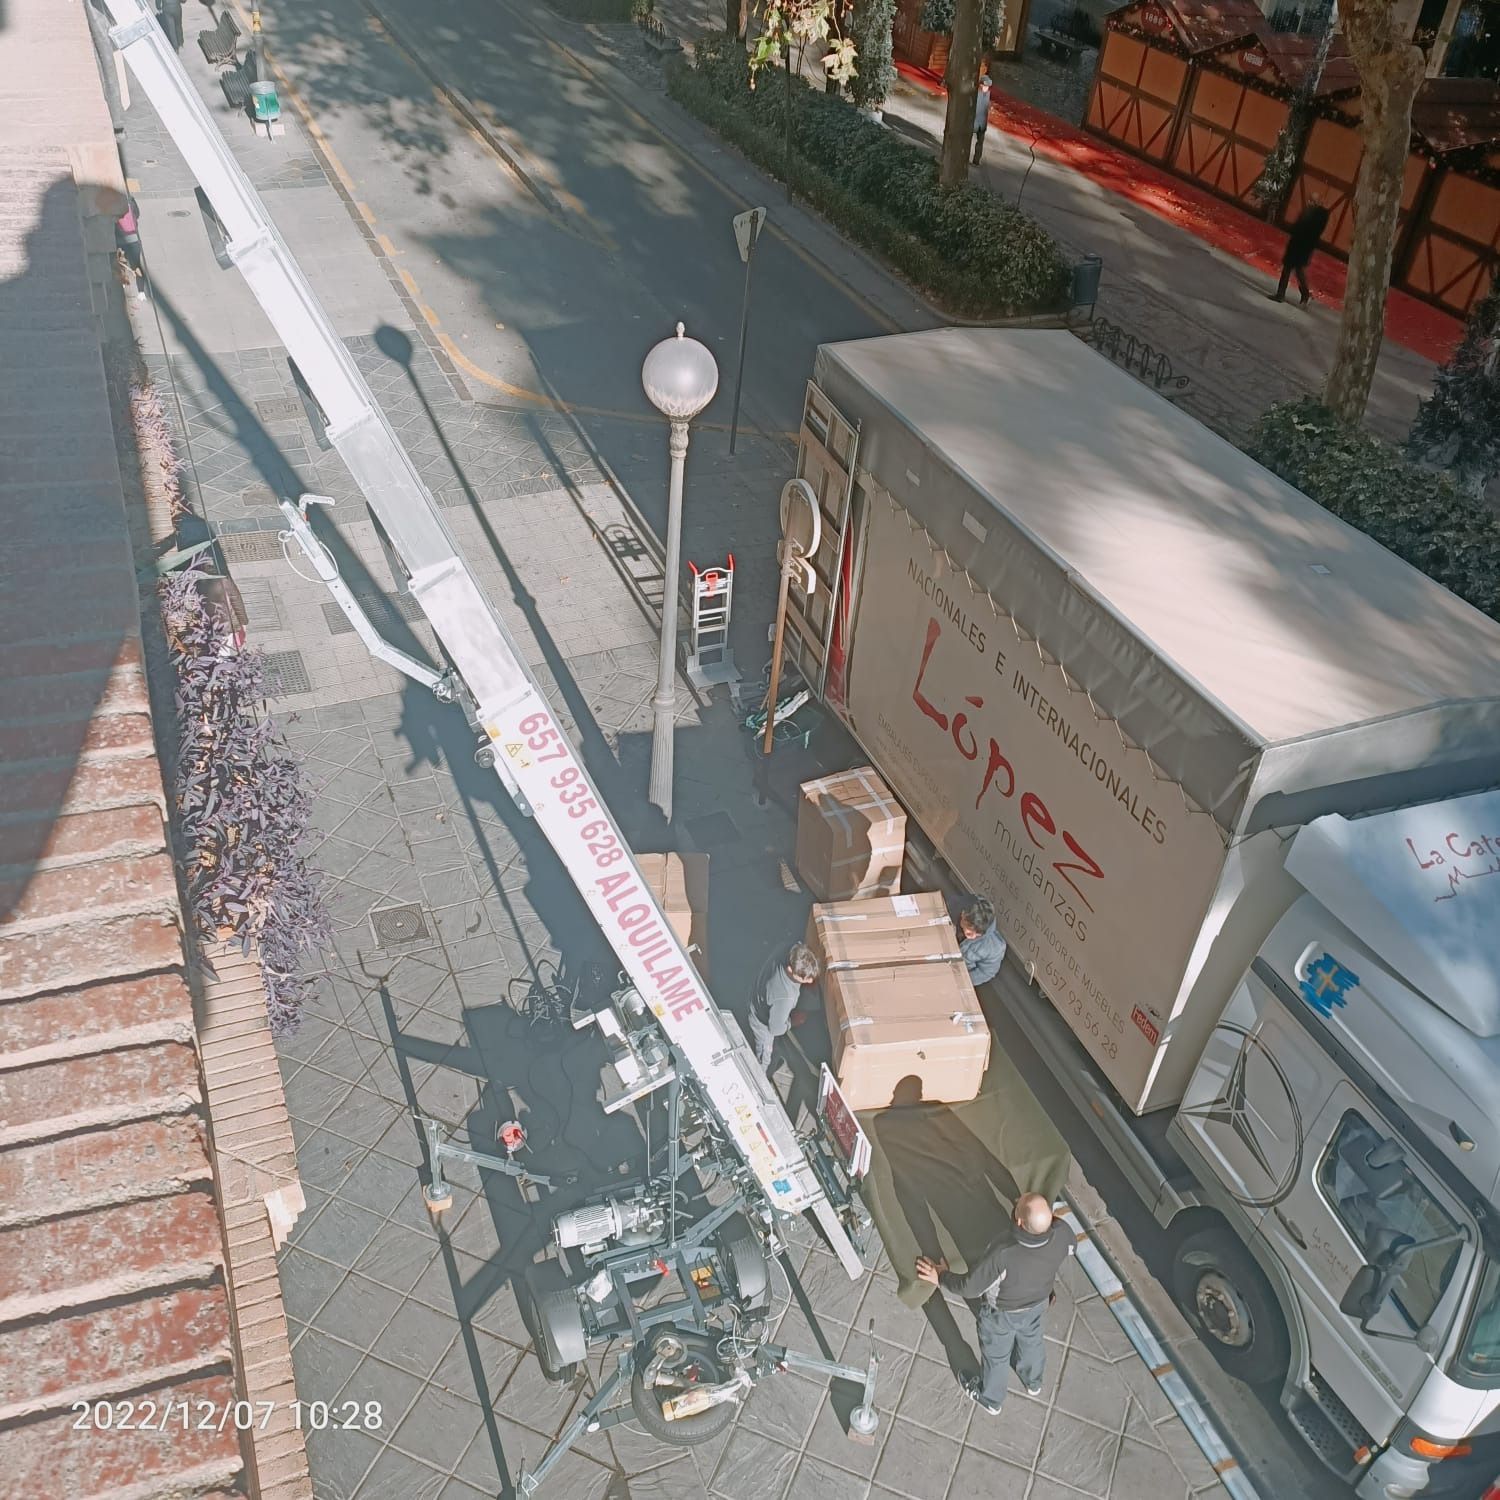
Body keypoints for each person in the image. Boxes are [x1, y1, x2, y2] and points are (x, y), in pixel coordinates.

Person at [916, 1193, 1075, 1415]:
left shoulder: (1004, 1252)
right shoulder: (1064, 1234)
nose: (1018, 1198)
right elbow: (1068, 1249)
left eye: (1019, 1203)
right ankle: (1033, 1381)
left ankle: (991, 1399)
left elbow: (970, 1288)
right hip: (1038, 1304)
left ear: (1019, 1222)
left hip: (1001, 1316)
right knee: (1032, 1342)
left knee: (996, 1356)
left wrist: (940, 1276)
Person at [749, 941, 820, 1072]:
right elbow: (775, 1029)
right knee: (765, 1059)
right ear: (790, 970)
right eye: (804, 978)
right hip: (762, 1022)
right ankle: (760, 1076)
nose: (810, 981)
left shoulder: (789, 949)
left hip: (760, 995)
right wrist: (793, 1022)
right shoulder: (785, 997)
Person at [1272, 199, 1330, 307]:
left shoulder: (1319, 214)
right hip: (1299, 243)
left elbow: (1305, 227)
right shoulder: (1313, 213)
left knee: (1294, 269)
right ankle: (1290, 294)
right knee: (1293, 269)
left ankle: (1295, 294)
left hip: (1302, 244)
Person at [958, 897, 1006, 987]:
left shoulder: (994, 948)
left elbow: (985, 973)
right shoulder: (959, 907)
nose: (972, 936)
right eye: (969, 931)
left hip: (962, 971)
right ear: (963, 914)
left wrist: (961, 980)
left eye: (977, 934)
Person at [115, 199, 146, 301]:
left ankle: (122, 284)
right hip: (134, 239)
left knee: (120, 262)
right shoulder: (130, 200)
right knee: (136, 265)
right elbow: (137, 214)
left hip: (120, 239)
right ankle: (141, 292)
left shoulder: (111, 202)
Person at [972, 70, 994, 165]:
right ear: (980, 85)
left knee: (980, 143)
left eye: (987, 87)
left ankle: (976, 160)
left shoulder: (988, 95)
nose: (986, 88)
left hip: (982, 124)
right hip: (973, 122)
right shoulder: (976, 94)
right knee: (966, 141)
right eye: (985, 86)